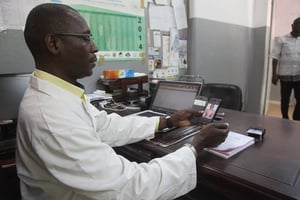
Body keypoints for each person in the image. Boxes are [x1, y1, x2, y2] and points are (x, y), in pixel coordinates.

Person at [16, 3, 229, 200]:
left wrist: (168, 121)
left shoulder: (58, 97)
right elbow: (131, 187)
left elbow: (106, 126)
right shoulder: (52, 115)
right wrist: (196, 145)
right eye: (85, 38)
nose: (95, 47)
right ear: (54, 43)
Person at [271, 17, 300, 120]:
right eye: (298, 25)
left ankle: (296, 119)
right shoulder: (282, 39)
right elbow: (275, 58)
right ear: (292, 26)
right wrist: (274, 74)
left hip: (298, 75)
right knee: (285, 99)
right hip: (285, 75)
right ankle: (285, 118)